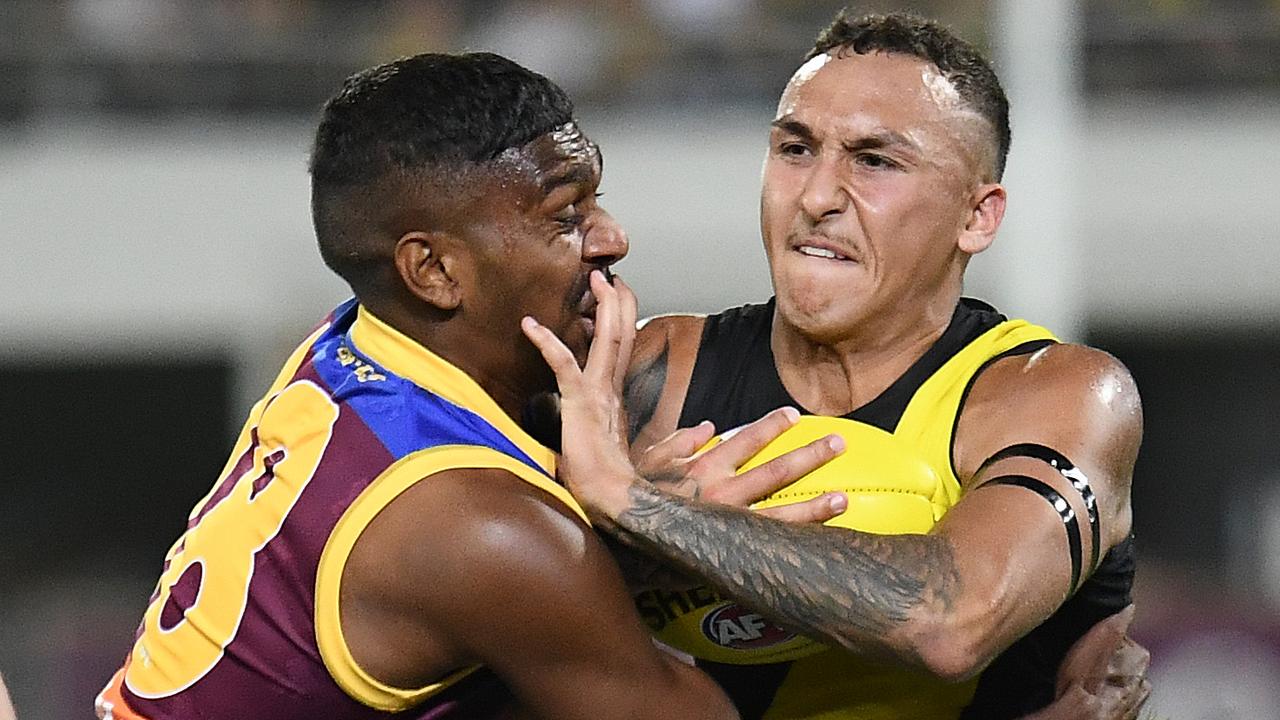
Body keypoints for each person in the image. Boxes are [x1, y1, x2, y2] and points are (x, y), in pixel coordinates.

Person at [522, 11, 1151, 720]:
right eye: (795, 149)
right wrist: (622, 557)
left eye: (874, 160)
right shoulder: (649, 375)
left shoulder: (1056, 393)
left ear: (977, 216)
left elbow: (949, 621)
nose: (817, 197)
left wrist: (635, 506)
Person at [93, 52, 747, 720]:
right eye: (566, 215)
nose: (612, 238)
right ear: (431, 271)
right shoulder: (484, 530)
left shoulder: (350, 339)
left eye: (596, 200)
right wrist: (648, 518)